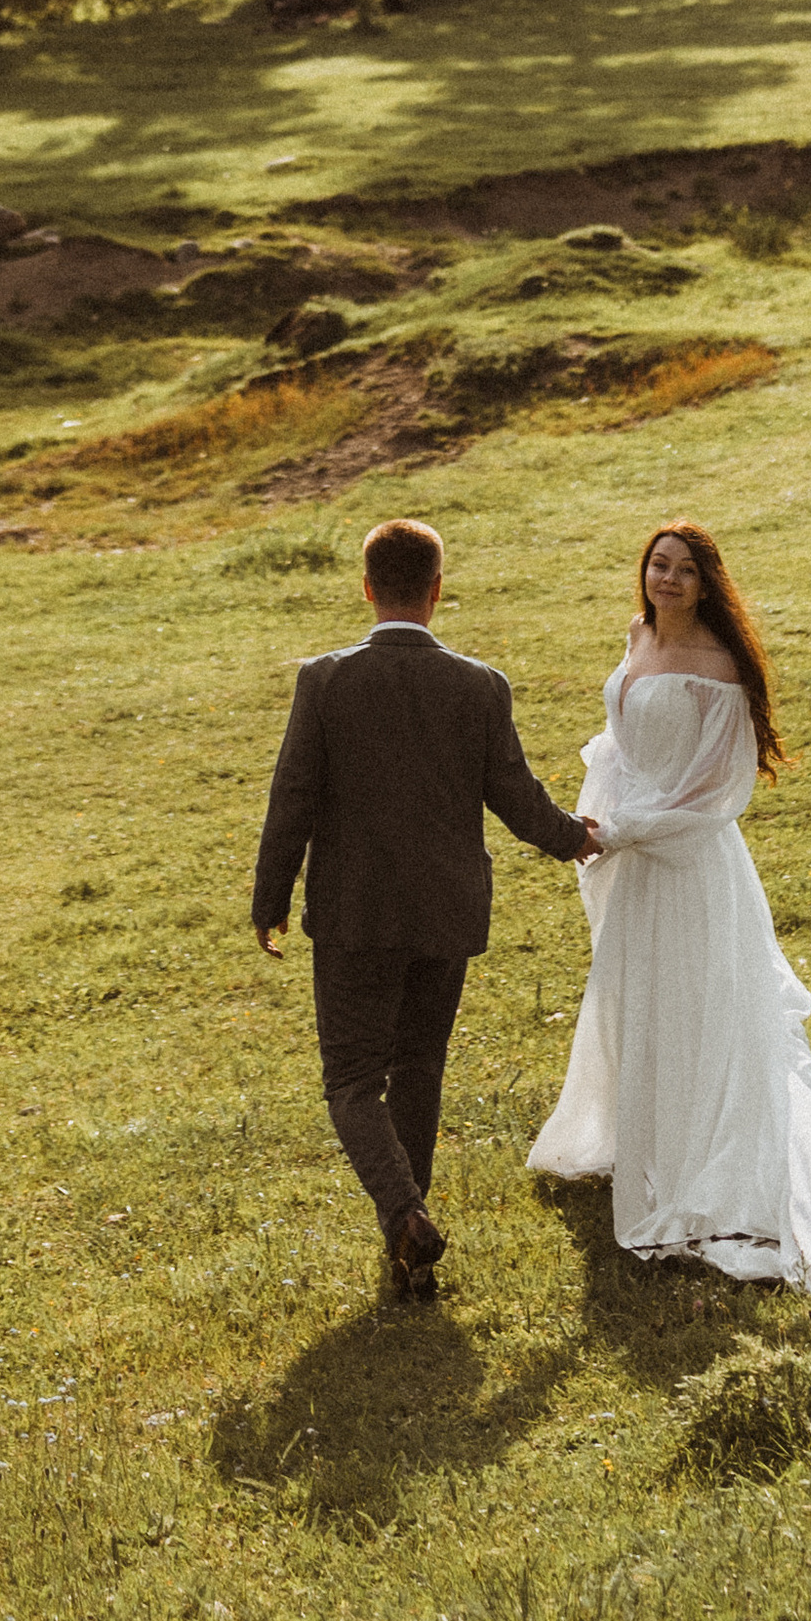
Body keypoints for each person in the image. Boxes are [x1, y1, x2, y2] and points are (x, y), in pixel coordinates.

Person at [527, 518, 811, 1300]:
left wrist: (623, 829)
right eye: (658, 565)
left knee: (703, 1006)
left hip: (689, 862)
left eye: (685, 571)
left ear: (707, 584)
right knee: (638, 1000)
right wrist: (598, 814)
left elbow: (714, 794)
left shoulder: (718, 665)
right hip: (634, 858)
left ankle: (716, 1167)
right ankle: (652, 1145)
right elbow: (623, 744)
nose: (667, 581)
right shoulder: (639, 634)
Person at [252, 515, 603, 1301]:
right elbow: (514, 795)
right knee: (419, 1069)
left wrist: (270, 898)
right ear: (438, 591)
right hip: (447, 912)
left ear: (368, 588)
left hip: (353, 912)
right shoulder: (480, 684)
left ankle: (404, 1214)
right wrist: (573, 839)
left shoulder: (327, 678)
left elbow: (293, 797)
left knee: (351, 1081)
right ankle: (408, 1247)